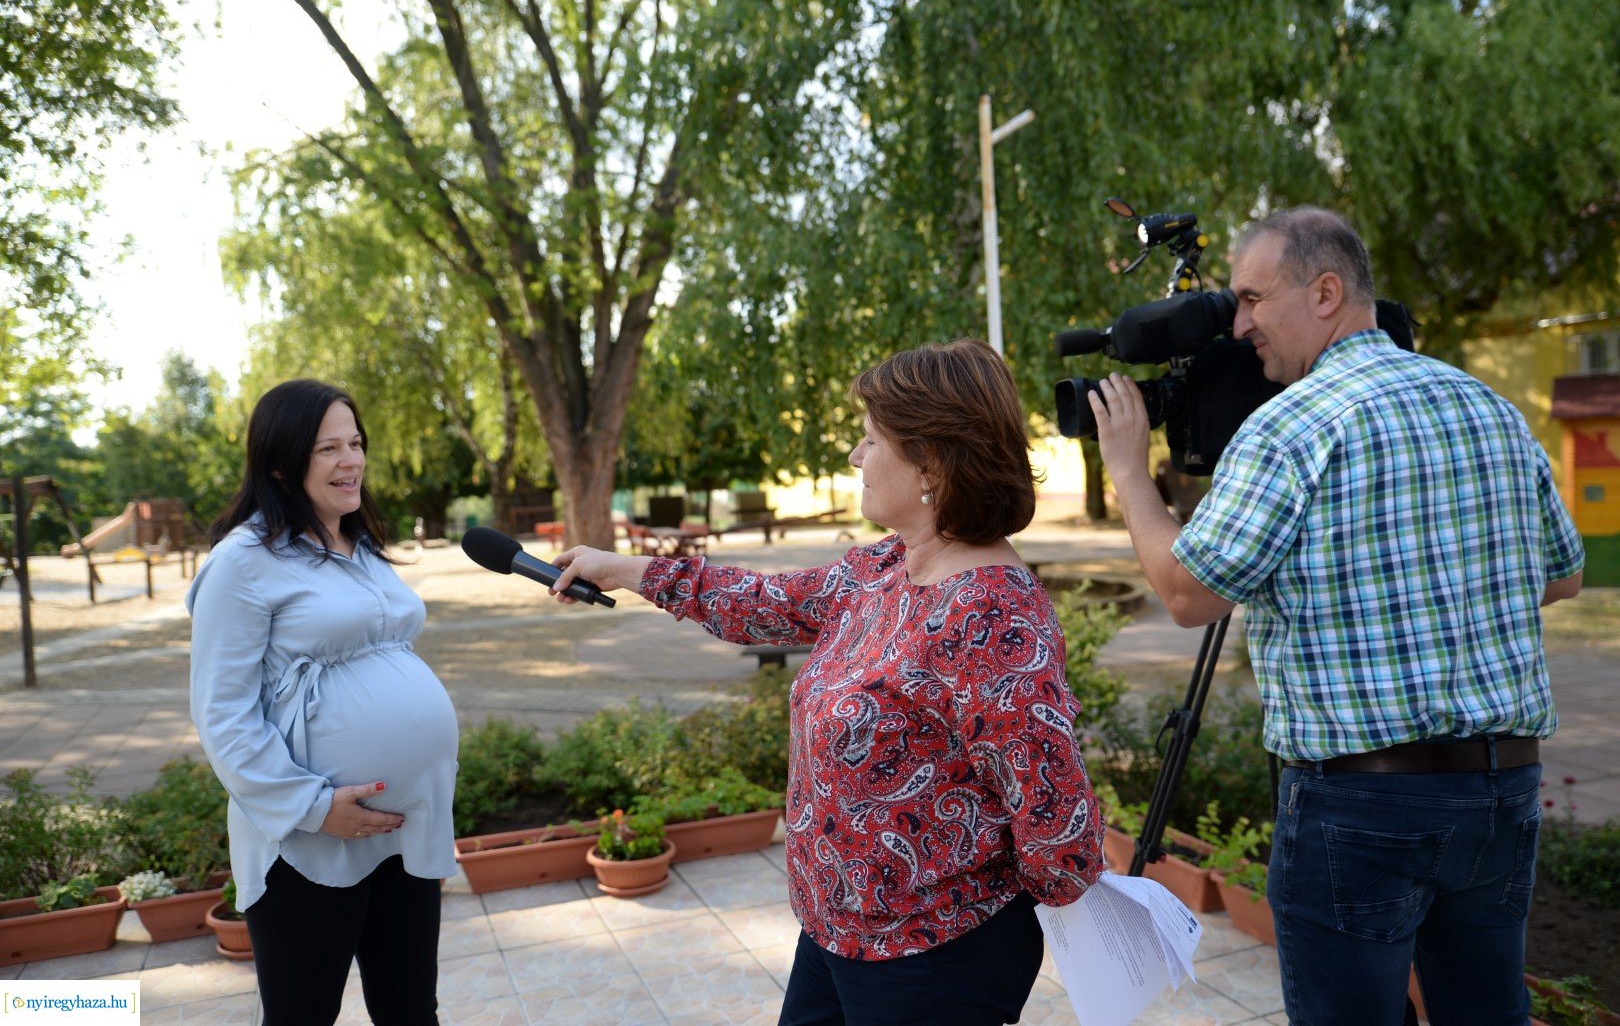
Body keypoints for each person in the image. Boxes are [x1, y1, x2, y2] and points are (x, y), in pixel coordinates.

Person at [1088, 206, 1585, 1025]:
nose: (1239, 326)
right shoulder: (1488, 406)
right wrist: (1436, 591)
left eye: (1252, 300)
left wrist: (1129, 473)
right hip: (1501, 794)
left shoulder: (1291, 426)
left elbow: (1186, 594)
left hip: (1360, 808)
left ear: (1326, 292)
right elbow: (1561, 578)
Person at [552, 339, 1105, 1026]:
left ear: (931, 461)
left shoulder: (991, 614)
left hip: (932, 958)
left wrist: (1034, 899)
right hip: (836, 933)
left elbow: (1056, 816)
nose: (854, 457)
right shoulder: (883, 569)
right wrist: (628, 571)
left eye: (871, 440)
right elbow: (763, 603)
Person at [188, 379, 458, 1026]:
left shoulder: (360, 547)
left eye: (356, 443)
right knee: (302, 1016)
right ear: (281, 464)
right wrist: (310, 808)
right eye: (328, 448)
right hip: (308, 843)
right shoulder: (242, 563)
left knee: (411, 1010)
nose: (351, 460)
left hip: (406, 828)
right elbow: (223, 713)